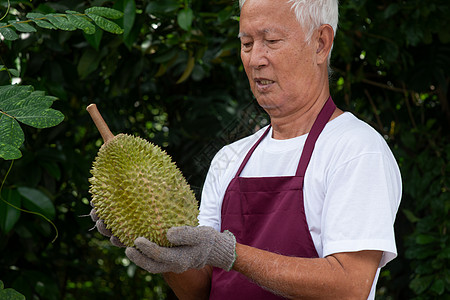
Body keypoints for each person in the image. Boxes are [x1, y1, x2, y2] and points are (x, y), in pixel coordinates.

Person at [91, 0, 402, 299]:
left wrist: (231, 253)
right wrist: (158, 248)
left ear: (320, 43)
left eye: (272, 40)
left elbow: (349, 287)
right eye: (247, 43)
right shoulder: (229, 159)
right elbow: (202, 291)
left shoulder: (355, 149)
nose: (255, 59)